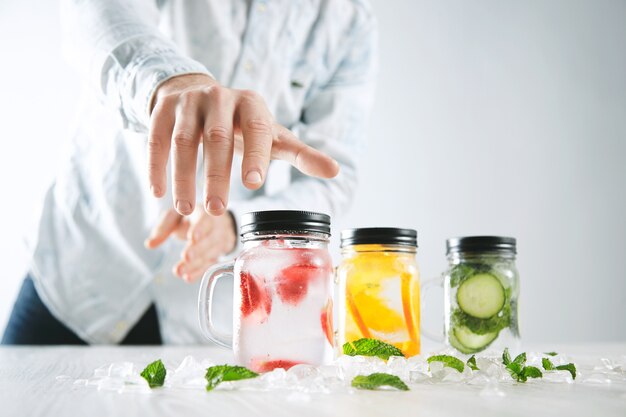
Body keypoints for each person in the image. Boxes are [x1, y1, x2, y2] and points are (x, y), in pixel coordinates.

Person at [2, 0, 377, 345]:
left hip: (201, 311)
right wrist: (169, 82)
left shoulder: (347, 23)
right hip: (79, 270)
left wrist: (236, 226)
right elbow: (96, 11)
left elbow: (331, 181)